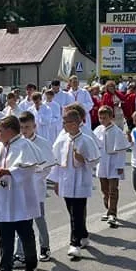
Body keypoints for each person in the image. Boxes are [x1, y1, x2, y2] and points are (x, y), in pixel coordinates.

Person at [0, 115, 43, 271]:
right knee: (5, 240)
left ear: (10, 131)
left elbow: (29, 168)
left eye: (0, 130)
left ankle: (31, 263)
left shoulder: (24, 145)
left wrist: (9, 171)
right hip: (3, 199)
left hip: (20, 200)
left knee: (26, 235)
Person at [48, 104, 100, 260]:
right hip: (65, 181)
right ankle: (83, 235)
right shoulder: (62, 140)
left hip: (80, 180)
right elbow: (56, 161)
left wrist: (82, 159)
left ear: (76, 123)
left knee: (76, 212)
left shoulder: (86, 140)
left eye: (67, 122)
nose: (64, 125)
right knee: (72, 211)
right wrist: (56, 181)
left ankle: (74, 244)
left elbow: (95, 160)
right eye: (63, 123)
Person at [14, 110, 56, 265]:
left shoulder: (42, 143)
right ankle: (20, 253)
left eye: (27, 127)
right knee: (21, 221)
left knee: (39, 220)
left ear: (34, 126)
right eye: (22, 127)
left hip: (36, 188)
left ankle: (45, 247)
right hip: (20, 189)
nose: (24, 131)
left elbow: (47, 167)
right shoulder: (17, 143)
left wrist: (33, 176)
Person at [94, 105, 130, 228]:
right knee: (104, 190)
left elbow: (121, 150)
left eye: (105, 117)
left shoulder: (117, 131)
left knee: (113, 190)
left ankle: (113, 213)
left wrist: (120, 165)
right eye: (100, 117)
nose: (102, 120)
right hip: (102, 163)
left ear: (111, 117)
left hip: (114, 164)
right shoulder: (98, 129)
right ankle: (108, 209)